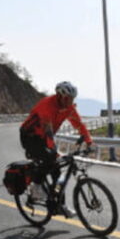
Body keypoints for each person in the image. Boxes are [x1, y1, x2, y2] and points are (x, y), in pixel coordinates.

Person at [19, 81, 94, 217]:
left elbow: (79, 125)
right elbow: (47, 132)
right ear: (60, 96)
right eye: (68, 99)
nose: (70, 102)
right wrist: (53, 152)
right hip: (30, 136)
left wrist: (89, 141)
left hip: (45, 137)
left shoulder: (69, 108)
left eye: (72, 99)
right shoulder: (47, 105)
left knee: (57, 173)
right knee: (49, 159)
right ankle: (36, 187)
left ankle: (59, 206)